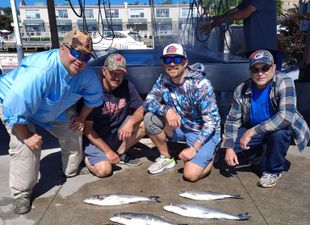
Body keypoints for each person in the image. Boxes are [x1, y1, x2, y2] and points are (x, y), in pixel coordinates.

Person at [0, 30, 104, 214]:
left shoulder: (85, 73)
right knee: (26, 146)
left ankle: (71, 170)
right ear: (63, 48)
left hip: (52, 107)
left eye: (86, 57)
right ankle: (22, 193)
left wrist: (81, 118)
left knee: (73, 129)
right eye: (76, 53)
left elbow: (93, 98)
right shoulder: (39, 72)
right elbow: (13, 109)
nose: (80, 60)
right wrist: (27, 136)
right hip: (14, 106)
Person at [221, 50, 310, 188]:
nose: (260, 73)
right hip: (254, 128)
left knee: (279, 135)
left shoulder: (284, 82)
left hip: (278, 128)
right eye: (255, 69)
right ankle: (259, 154)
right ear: (250, 71)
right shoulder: (241, 89)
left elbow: (286, 117)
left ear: (273, 68)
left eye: (265, 68)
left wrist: (251, 132)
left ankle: (273, 171)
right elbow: (232, 121)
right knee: (224, 156)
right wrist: (229, 147)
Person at [143, 43, 221, 182]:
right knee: (149, 119)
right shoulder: (163, 80)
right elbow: (148, 101)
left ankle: (213, 152)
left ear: (185, 62)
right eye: (167, 60)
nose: (172, 64)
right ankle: (166, 158)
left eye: (177, 59)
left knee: (190, 175)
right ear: (163, 63)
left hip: (202, 132)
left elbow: (211, 122)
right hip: (180, 127)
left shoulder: (201, 84)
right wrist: (166, 110)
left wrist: (194, 149)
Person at [83, 53, 145, 178]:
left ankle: (120, 153)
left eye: (120, 73)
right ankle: (86, 158)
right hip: (95, 140)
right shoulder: (93, 89)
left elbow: (141, 107)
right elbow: (87, 128)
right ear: (104, 71)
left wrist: (130, 122)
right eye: (113, 73)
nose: (117, 77)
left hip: (115, 135)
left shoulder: (127, 86)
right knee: (104, 171)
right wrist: (107, 151)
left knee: (146, 123)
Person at [201, 0, 277, 60]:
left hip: (265, 50)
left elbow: (244, 13)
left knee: (261, 73)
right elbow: (233, 12)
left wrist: (221, 19)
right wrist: (213, 22)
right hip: (252, 49)